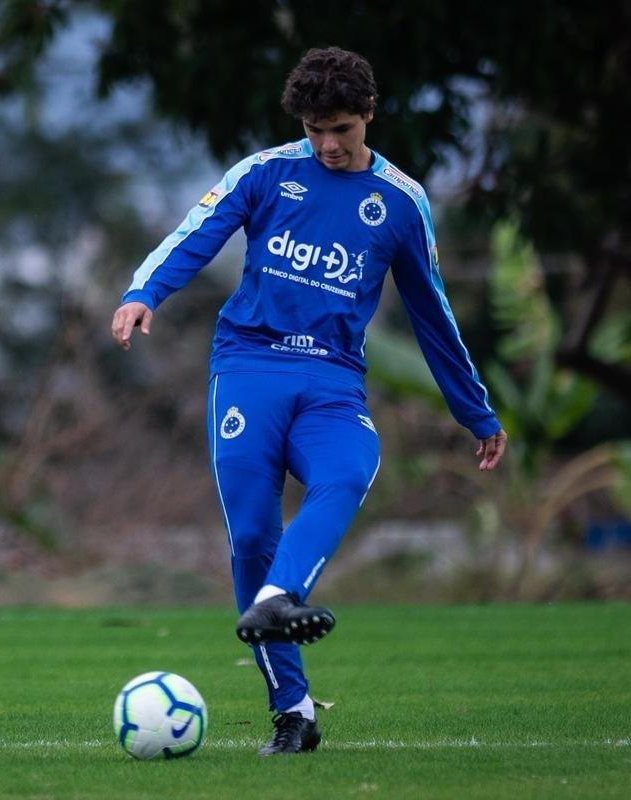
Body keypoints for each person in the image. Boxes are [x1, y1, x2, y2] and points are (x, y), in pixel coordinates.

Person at [111, 47, 507, 756]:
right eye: (316, 129)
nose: (328, 144)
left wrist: (474, 410)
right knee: (252, 539)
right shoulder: (267, 172)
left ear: (369, 117)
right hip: (249, 369)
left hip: (331, 382)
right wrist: (144, 293)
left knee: (352, 467)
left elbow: (433, 314)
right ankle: (293, 712)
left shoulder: (402, 203)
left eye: (343, 130)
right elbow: (194, 233)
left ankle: (276, 599)